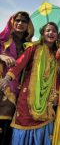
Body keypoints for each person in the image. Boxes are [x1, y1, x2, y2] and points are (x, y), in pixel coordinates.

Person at [0, 22, 59, 145]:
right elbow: (19, 64)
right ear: (42, 34)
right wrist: (7, 78)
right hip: (28, 95)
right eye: (48, 30)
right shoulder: (33, 48)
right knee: (25, 121)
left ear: (57, 35)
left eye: (53, 31)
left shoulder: (57, 54)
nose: (51, 33)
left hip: (47, 98)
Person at [0, 11, 34, 145]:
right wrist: (1, 56)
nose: (20, 23)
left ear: (28, 25)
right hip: (1, 83)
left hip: (16, 92)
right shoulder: (3, 39)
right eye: (18, 20)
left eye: (24, 21)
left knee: (7, 126)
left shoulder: (29, 46)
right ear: (12, 22)